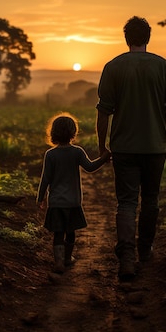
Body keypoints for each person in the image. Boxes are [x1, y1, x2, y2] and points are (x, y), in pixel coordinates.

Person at [96, 16, 166, 281]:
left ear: (126, 39)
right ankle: (145, 251)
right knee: (151, 200)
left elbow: (104, 113)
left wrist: (103, 147)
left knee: (126, 202)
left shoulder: (113, 67)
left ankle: (126, 257)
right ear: (148, 37)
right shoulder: (165, 67)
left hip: (123, 148)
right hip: (155, 148)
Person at [37, 112, 111, 274]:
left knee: (58, 233)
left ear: (53, 132)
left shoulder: (50, 154)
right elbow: (90, 167)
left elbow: (45, 179)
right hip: (73, 202)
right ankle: (68, 258)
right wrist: (104, 157)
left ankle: (58, 263)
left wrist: (40, 197)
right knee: (70, 233)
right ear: (73, 132)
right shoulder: (77, 152)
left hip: (56, 202)